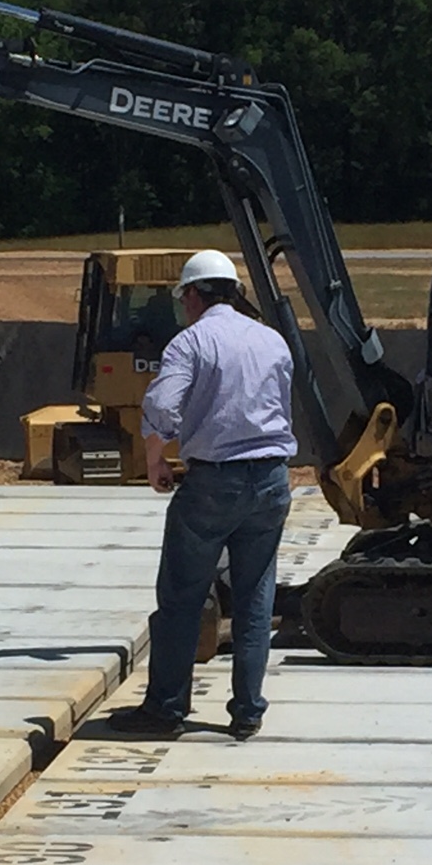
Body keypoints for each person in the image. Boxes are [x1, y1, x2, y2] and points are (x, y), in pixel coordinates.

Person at [107, 249, 296, 740]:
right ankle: (248, 710)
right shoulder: (272, 340)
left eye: (183, 298)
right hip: (273, 480)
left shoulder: (191, 343)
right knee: (255, 598)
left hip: (214, 481)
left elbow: (162, 405)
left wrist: (154, 460)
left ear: (192, 294)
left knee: (182, 597)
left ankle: (167, 708)